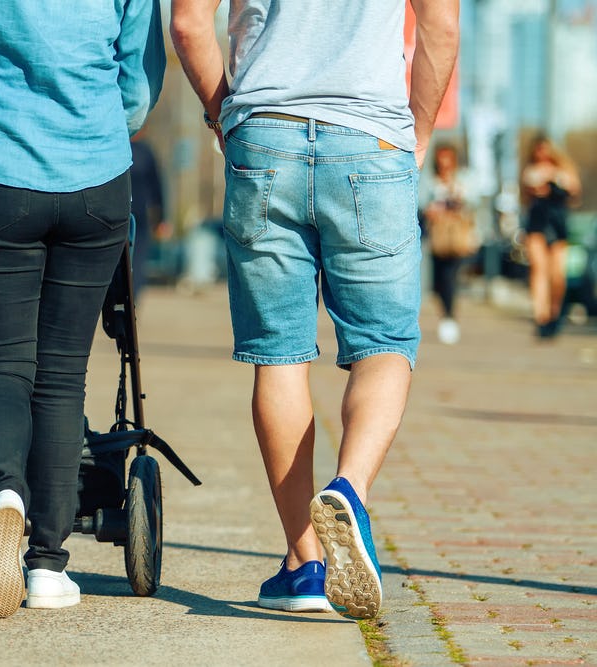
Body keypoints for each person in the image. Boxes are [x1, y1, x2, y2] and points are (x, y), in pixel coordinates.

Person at [171, 0, 459, 620]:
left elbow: (190, 22)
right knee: (383, 347)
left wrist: (229, 118)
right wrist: (419, 132)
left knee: (278, 355)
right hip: (372, 138)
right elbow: (440, 26)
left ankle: (304, 564)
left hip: (263, 135)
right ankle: (349, 490)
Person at [0, 1, 164, 617]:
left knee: (1, 363)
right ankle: (48, 567)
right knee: (61, 375)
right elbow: (138, 74)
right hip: (96, 180)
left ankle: (4, 494)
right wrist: (102, 129)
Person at [520, 134, 582, 339]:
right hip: (537, 223)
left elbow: (574, 190)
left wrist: (555, 179)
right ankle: (541, 316)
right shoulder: (530, 171)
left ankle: (555, 312)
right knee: (539, 270)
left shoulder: (564, 169)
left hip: (557, 224)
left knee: (557, 275)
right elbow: (529, 189)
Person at [421, 143, 476, 344]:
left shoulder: (463, 181)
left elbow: (472, 204)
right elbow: (421, 205)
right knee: (438, 280)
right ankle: (446, 314)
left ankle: (450, 317)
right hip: (437, 237)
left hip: (456, 236)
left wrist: (457, 199)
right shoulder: (429, 181)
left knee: (451, 276)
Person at [130, 135, 166, 300]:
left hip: (138, 219)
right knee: (133, 265)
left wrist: (161, 219)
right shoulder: (144, 152)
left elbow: (156, 185)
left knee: (136, 265)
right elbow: (156, 186)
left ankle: (131, 304)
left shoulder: (144, 150)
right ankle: (128, 304)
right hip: (129, 216)